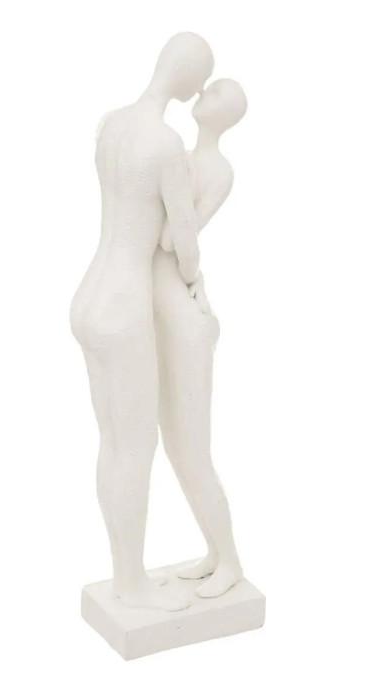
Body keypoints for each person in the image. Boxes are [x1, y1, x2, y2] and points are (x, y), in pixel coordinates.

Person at [70, 33, 213, 611]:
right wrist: (194, 279)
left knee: (113, 445)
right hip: (126, 307)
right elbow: (181, 239)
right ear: (190, 82)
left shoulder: (113, 124)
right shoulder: (166, 143)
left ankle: (125, 575)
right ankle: (130, 583)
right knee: (134, 448)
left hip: (90, 294)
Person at [153, 79, 248, 598]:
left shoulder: (217, 170)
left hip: (184, 318)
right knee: (176, 446)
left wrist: (168, 191)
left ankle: (229, 560)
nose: (204, 91)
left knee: (192, 449)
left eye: (216, 93)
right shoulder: (182, 157)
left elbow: (173, 239)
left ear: (227, 115)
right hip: (169, 307)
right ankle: (214, 553)